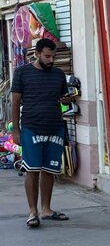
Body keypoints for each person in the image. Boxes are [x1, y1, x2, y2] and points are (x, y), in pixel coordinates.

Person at [11, 37, 73, 228]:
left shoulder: (58, 75)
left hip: (55, 128)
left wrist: (65, 101)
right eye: (47, 56)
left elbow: (63, 100)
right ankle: (32, 212)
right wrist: (16, 130)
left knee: (49, 170)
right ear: (36, 54)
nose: (51, 60)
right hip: (32, 127)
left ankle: (46, 210)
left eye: (53, 57)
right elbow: (15, 103)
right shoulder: (22, 73)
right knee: (32, 170)